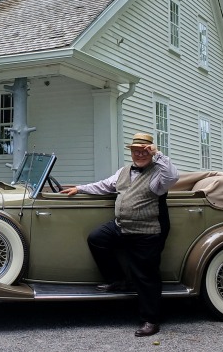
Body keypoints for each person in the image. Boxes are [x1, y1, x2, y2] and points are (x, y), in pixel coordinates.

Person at [60, 132, 179, 337]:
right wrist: (79, 188)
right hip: (121, 225)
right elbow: (104, 185)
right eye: (135, 151)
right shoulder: (124, 171)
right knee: (97, 238)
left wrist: (157, 154)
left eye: (144, 150)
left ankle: (151, 320)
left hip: (147, 231)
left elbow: (173, 176)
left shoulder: (159, 174)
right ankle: (118, 279)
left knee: (146, 274)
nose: (139, 154)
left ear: (150, 151)